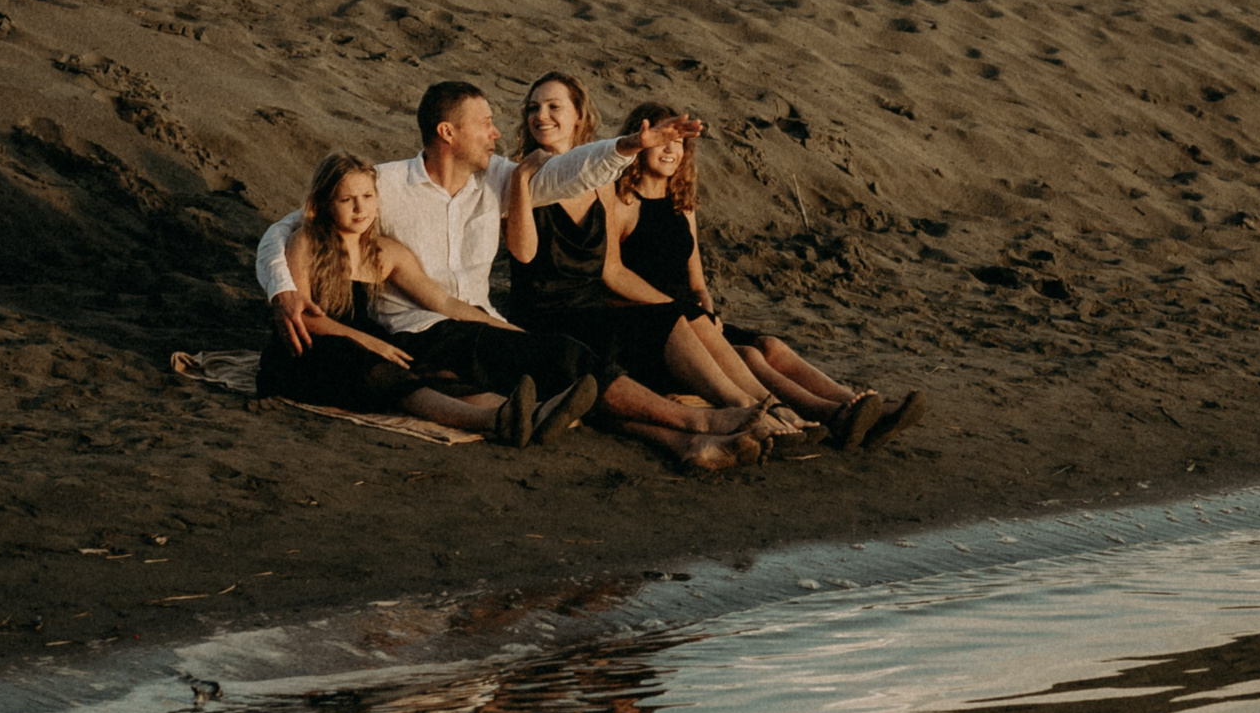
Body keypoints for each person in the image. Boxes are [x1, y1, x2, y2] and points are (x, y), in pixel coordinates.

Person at [256, 82, 763, 473]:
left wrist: (627, 146)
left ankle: (687, 444)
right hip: (418, 330)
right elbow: (290, 225)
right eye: (486, 123)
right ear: (447, 133)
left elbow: (569, 174)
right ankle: (696, 420)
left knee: (561, 383)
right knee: (563, 361)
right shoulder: (384, 185)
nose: (497, 133)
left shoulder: (497, 177)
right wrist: (282, 289)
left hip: (473, 320)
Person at [603, 100, 926, 450]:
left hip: (693, 316)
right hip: (657, 322)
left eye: (679, 141)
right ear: (640, 141)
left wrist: (706, 308)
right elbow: (613, 275)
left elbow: (696, 279)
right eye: (662, 139)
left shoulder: (681, 200)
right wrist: (682, 310)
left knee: (769, 346)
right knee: (749, 357)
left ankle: (855, 407)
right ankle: (829, 415)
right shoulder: (622, 202)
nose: (670, 150)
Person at [503, 74, 807, 446]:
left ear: (579, 115)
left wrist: (641, 142)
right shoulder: (515, 174)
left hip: (592, 305)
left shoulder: (600, 180)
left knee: (691, 320)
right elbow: (523, 253)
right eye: (533, 107)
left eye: (553, 107)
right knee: (672, 319)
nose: (541, 115)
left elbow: (608, 160)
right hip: (544, 312)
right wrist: (521, 179)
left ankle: (767, 405)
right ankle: (745, 407)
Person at [259, 152, 593, 445]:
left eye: (367, 196)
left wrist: (506, 330)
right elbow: (304, 316)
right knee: (381, 370)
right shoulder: (306, 242)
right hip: (309, 349)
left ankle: (534, 414)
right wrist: (370, 343)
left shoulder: (384, 252)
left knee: (432, 372)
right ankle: (494, 420)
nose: (360, 208)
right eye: (346, 200)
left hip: (364, 341)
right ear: (324, 203)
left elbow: (445, 304)